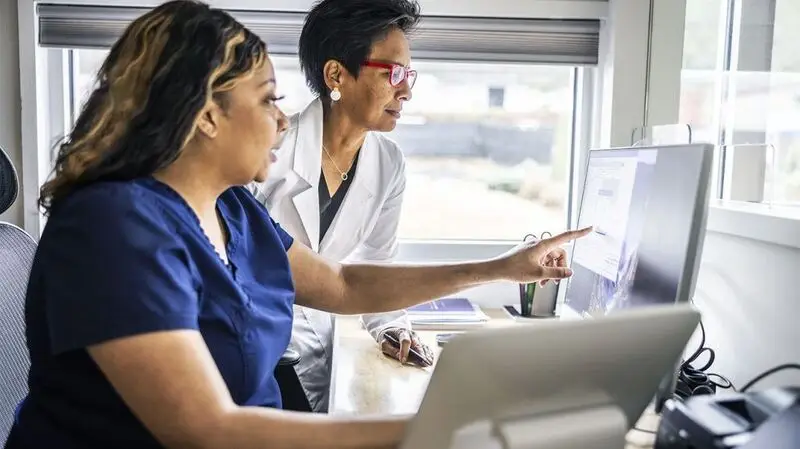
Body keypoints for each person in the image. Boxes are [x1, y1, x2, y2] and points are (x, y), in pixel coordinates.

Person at [5, 2, 589, 448]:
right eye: (267, 101)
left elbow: (345, 286)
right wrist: (445, 426)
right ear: (207, 116)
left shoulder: (232, 208)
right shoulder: (114, 228)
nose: (282, 121)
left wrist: (505, 268)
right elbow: (206, 431)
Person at [251, 0, 432, 413]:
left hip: (323, 361)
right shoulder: (267, 153)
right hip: (263, 364)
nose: (406, 89)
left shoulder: (389, 163)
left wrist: (392, 326)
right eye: (394, 73)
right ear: (336, 75)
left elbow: (376, 265)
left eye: (409, 74)